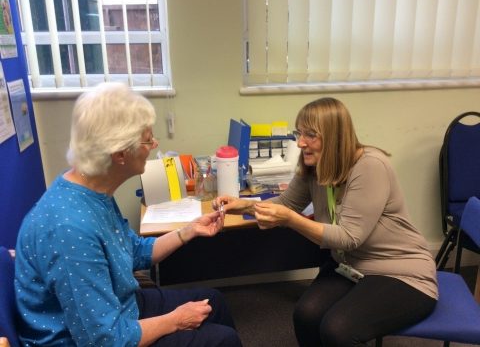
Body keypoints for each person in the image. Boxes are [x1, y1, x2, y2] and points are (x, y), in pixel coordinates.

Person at [15, 82, 242, 347]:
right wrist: (176, 320)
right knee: (222, 341)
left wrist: (188, 230)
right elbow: (104, 340)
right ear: (120, 153)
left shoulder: (91, 191)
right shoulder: (69, 228)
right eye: (147, 139)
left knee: (215, 302)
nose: (154, 143)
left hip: (119, 309)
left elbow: (134, 252)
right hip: (94, 339)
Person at [214, 97, 438, 346]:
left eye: (311, 135)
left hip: (400, 271)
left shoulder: (370, 167)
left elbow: (349, 238)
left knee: (337, 329)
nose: (301, 143)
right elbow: (287, 204)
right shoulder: (314, 166)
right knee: (306, 316)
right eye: (299, 133)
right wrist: (242, 205)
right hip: (351, 266)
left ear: (334, 136)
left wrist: (291, 221)